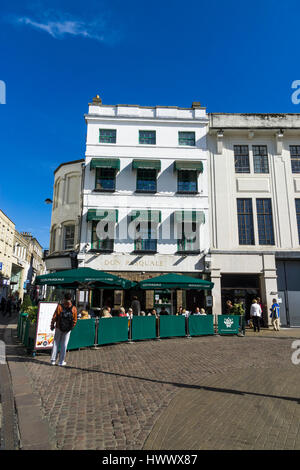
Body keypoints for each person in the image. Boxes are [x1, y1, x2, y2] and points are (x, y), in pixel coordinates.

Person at [50, 293, 77, 366]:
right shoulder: (74, 308)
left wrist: (52, 324)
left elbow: (54, 317)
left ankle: (53, 360)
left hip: (59, 327)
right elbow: (75, 319)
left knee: (56, 343)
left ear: (64, 298)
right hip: (67, 329)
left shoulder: (59, 306)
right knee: (64, 345)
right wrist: (71, 327)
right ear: (71, 299)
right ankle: (61, 361)